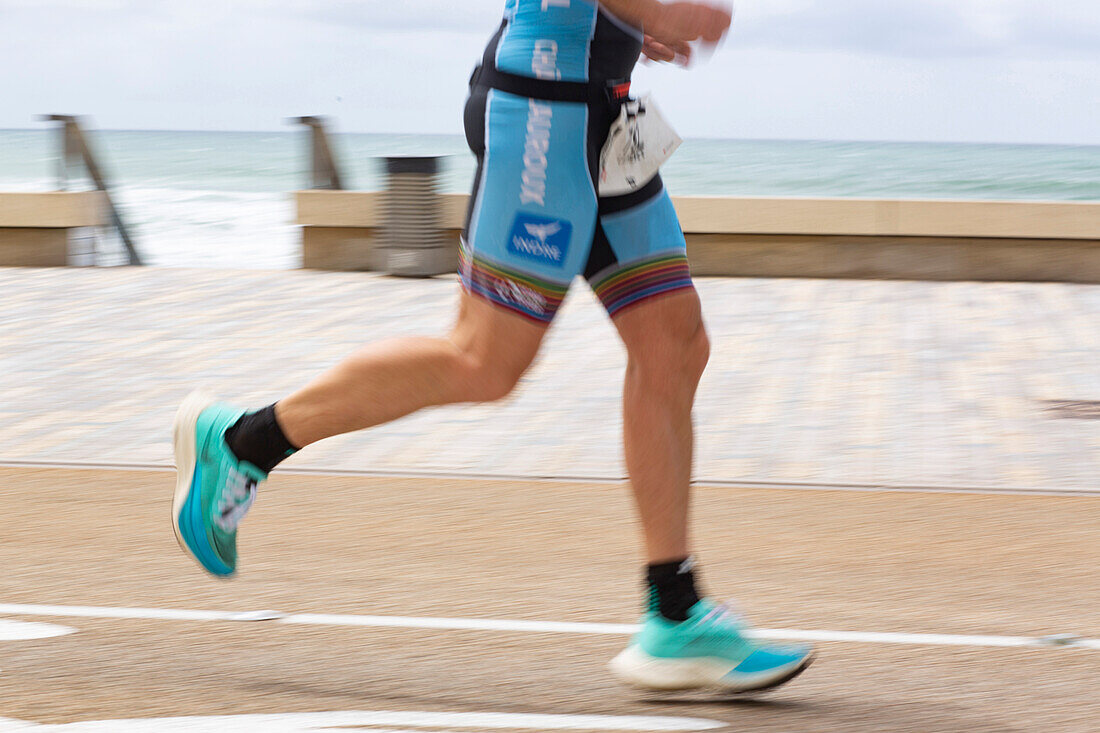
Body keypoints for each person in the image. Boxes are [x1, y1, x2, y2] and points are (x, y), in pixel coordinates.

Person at [172, 0, 813, 693]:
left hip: (600, 111)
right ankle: (242, 442)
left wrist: (632, 24)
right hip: (543, 113)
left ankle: (675, 613)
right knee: (483, 361)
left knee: (673, 341)